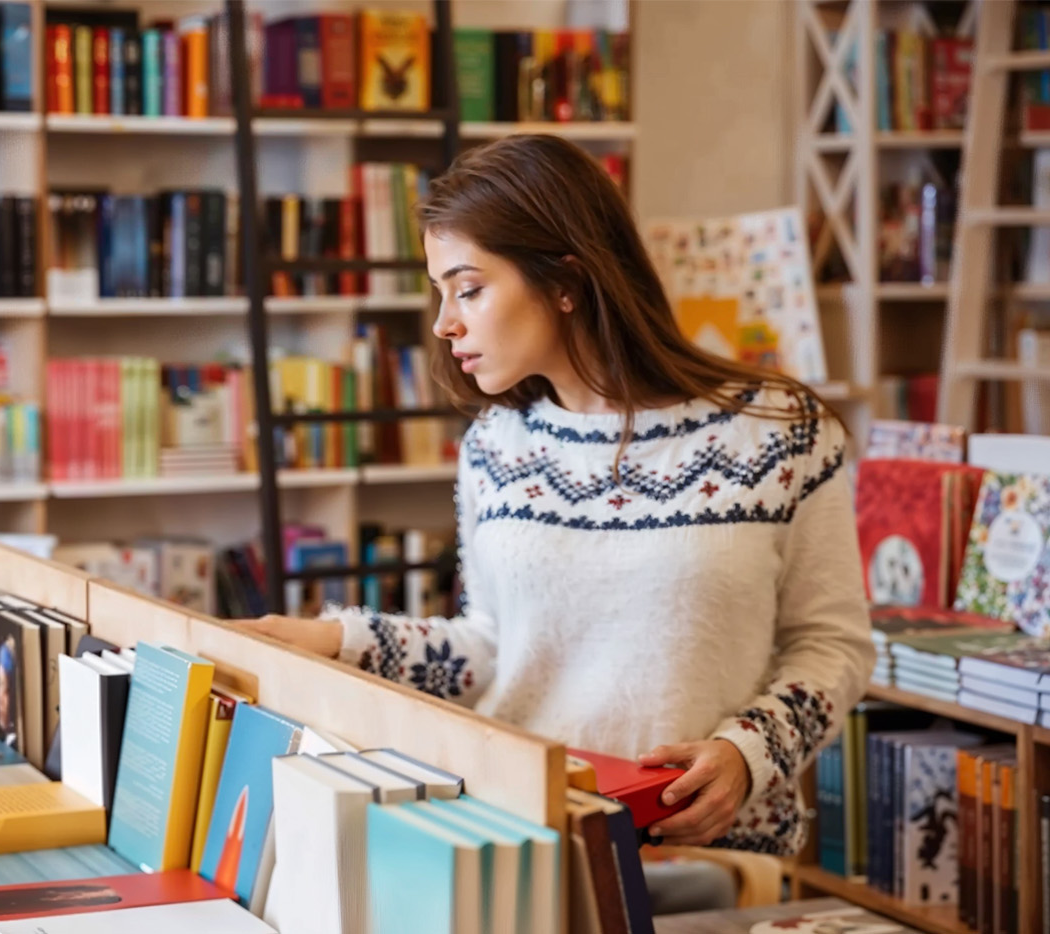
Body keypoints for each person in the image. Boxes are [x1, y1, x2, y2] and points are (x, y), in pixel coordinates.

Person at [237, 135, 874, 856]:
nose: (445, 324)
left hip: (708, 855)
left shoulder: (781, 430)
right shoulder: (495, 445)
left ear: (565, 280)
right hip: (525, 840)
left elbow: (833, 645)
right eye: (440, 292)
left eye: (469, 288)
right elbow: (494, 648)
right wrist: (338, 640)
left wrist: (748, 756)